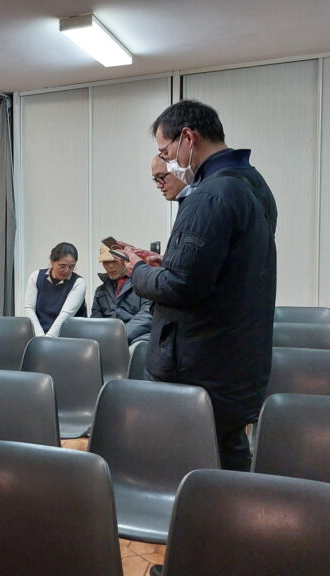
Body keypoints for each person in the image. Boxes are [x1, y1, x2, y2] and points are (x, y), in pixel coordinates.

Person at [123, 100, 277, 472]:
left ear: (188, 138)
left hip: (201, 364)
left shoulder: (209, 194)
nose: (168, 163)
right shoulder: (254, 185)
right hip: (236, 359)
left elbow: (181, 287)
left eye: (166, 152)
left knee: (196, 466)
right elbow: (224, 267)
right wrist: (170, 261)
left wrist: (137, 271)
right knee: (229, 455)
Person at [23, 242, 87, 337]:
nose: (67, 271)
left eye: (72, 267)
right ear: (52, 262)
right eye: (62, 266)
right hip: (39, 335)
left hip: (69, 337)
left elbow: (65, 315)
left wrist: (49, 338)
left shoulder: (78, 283)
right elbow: (29, 308)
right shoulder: (36, 277)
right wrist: (40, 336)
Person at [91, 244, 152, 344]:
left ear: (125, 260)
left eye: (114, 261)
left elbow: (148, 314)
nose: (110, 266)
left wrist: (119, 336)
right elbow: (95, 321)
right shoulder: (101, 291)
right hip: (108, 339)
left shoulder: (143, 283)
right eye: (105, 262)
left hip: (137, 338)